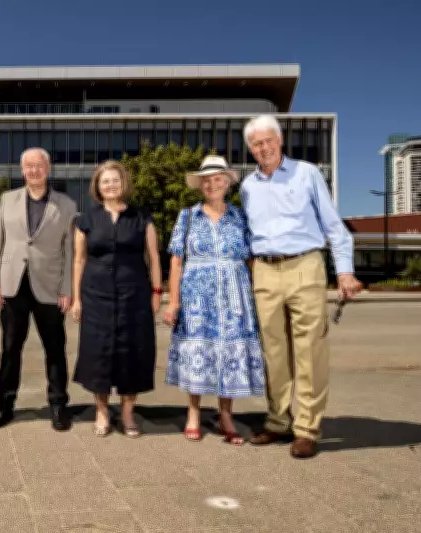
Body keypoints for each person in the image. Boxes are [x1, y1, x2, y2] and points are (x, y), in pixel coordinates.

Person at [240, 114, 361, 459]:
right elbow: (251, 233)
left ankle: (307, 428)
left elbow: (334, 227)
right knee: (273, 353)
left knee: (310, 350)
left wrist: (345, 272)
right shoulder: (248, 186)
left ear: (280, 141)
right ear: (250, 148)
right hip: (264, 270)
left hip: (305, 265)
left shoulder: (306, 173)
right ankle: (279, 421)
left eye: (268, 141)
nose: (263, 148)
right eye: (256, 144)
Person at [162, 155, 264, 445]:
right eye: (206, 180)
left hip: (234, 293)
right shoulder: (188, 216)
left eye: (218, 178)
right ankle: (193, 413)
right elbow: (176, 261)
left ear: (227, 183)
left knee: (229, 354)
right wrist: (173, 301)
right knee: (198, 352)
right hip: (197, 296)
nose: (212, 184)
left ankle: (226, 415)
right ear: (200, 185)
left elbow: (251, 260)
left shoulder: (240, 217)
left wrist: (257, 296)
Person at [0, 148, 76, 431]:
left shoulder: (66, 204)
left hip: (50, 287)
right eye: (28, 166)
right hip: (13, 286)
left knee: (55, 348)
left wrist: (67, 288)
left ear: (48, 169)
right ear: (21, 170)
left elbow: (70, 250)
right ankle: (5, 405)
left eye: (39, 165)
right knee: (10, 348)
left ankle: (59, 405)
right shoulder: (7, 199)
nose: (33, 170)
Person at [71, 160, 161, 438]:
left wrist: (158, 292)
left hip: (134, 295)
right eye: (105, 181)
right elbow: (78, 260)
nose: (110, 185)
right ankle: (101, 410)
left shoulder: (141, 217)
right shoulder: (86, 219)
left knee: (132, 352)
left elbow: (154, 257)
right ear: (97, 186)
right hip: (95, 296)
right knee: (97, 352)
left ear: (124, 184)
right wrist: (77, 299)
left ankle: (127, 413)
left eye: (115, 180)